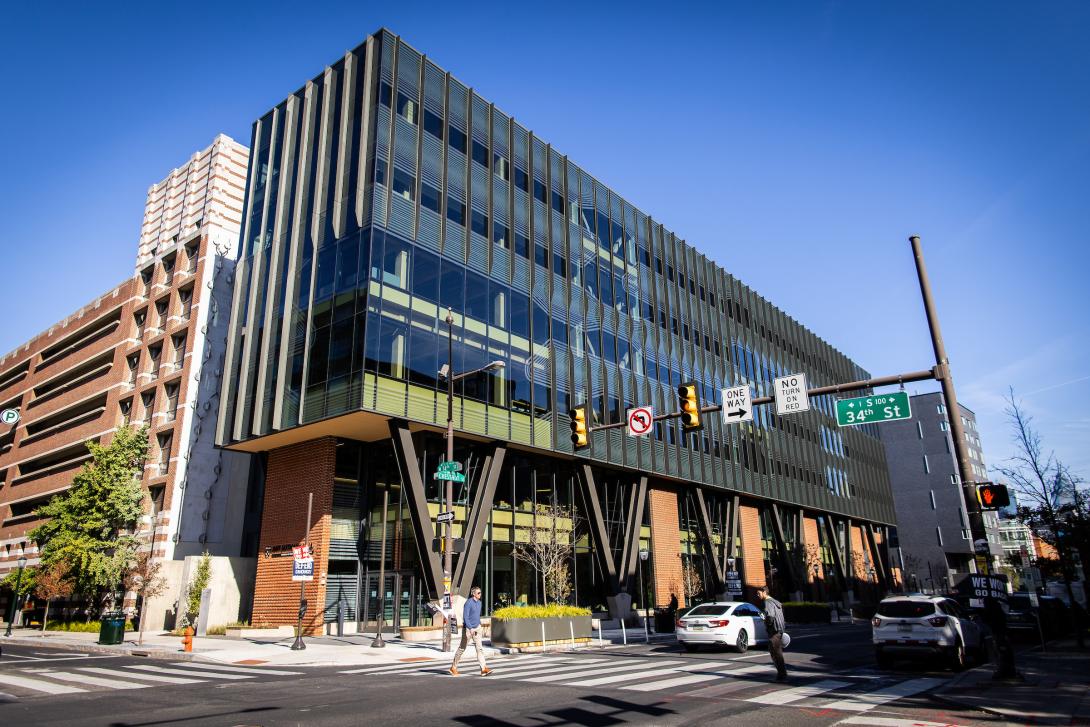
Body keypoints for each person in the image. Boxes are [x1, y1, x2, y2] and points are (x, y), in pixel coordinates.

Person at [449, 586, 491, 676]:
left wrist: (479, 624)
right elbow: (465, 617)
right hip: (468, 629)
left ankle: (483, 669)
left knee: (479, 649)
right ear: (473, 594)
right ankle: (453, 667)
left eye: (480, 592)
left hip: (477, 628)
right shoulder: (468, 603)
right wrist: (470, 627)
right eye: (478, 593)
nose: (480, 594)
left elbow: (476, 615)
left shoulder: (479, 603)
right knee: (462, 648)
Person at [756, 585, 787, 682]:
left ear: (764, 592)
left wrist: (765, 620)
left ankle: (782, 675)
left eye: (759, 593)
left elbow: (770, 616)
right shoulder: (775, 602)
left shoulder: (767, 602)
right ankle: (782, 674)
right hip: (780, 630)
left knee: (776, 654)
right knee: (778, 653)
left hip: (774, 631)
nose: (758, 595)